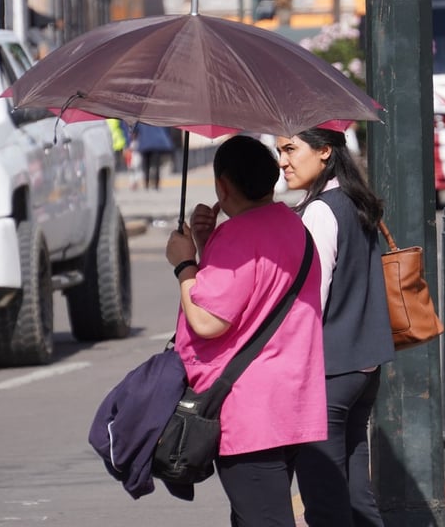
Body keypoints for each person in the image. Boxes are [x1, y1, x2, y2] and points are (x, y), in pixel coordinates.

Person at [165, 135, 327, 526]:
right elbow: (251, 295)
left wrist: (184, 264)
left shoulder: (239, 235)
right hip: (290, 399)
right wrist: (207, 244)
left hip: (249, 409)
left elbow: (207, 320)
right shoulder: (292, 226)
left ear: (222, 186)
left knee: (264, 518)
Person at [276, 126, 395, 526]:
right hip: (364, 366)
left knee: (325, 501)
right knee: (357, 496)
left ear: (324, 151)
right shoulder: (355, 201)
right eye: (279, 151)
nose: (283, 161)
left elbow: (312, 300)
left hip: (329, 371)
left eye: (291, 149)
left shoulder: (321, 211)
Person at [134, 122, 174, 190]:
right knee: (156, 165)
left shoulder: (141, 119)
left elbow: (135, 130)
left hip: (145, 142)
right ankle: (156, 185)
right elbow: (167, 130)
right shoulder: (159, 118)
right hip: (157, 143)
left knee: (146, 165)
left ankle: (146, 184)